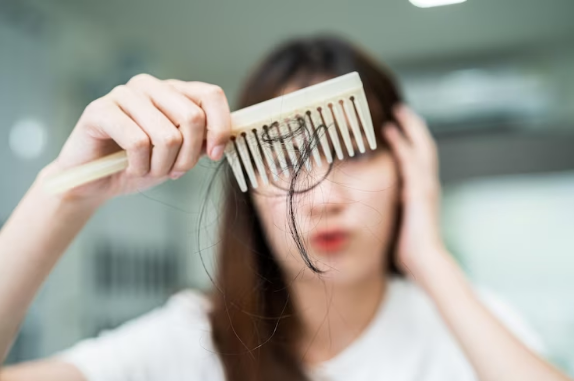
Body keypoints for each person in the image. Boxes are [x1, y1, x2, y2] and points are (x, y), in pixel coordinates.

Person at [0, 36, 570, 381]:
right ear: (245, 188)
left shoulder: (471, 326)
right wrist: (62, 196)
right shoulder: (192, 343)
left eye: (355, 153)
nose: (323, 197)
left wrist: (430, 258)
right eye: (285, 159)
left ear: (407, 167)